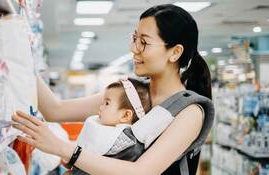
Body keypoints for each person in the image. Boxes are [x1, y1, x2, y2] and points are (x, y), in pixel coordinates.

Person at [11, 4, 213, 174]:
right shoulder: (129, 92)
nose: (134, 49)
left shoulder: (189, 112)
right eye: (135, 39)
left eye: (143, 42)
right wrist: (18, 56)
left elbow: (142, 172)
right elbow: (56, 110)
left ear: (175, 52)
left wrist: (65, 149)